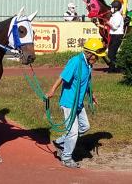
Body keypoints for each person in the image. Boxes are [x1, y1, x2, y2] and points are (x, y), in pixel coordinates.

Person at [45, 38, 106, 168]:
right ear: (89, 53)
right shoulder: (75, 62)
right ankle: (66, 158)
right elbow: (62, 77)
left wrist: (91, 94)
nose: (97, 59)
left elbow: (86, 81)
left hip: (78, 103)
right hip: (69, 103)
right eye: (97, 56)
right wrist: (51, 91)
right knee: (72, 132)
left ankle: (60, 142)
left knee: (85, 127)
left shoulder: (89, 65)